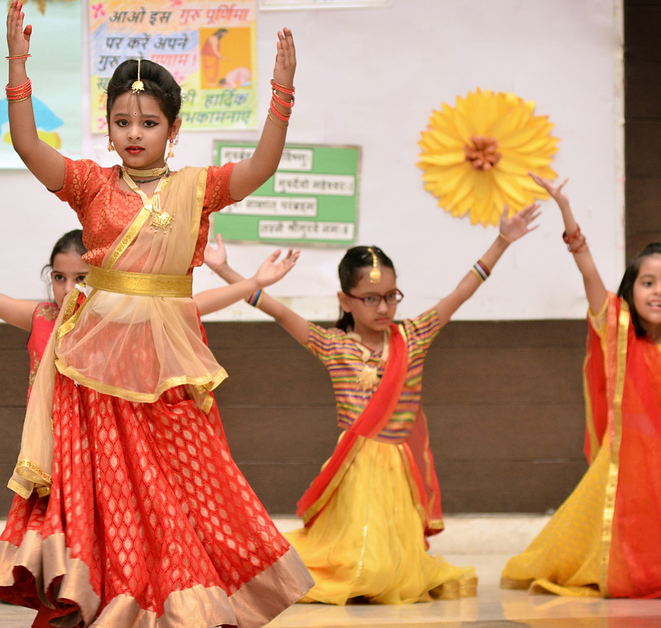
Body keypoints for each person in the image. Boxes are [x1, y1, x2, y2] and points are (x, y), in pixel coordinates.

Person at [0, 0, 312, 627]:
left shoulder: (197, 189)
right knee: (112, 494)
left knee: (188, 484)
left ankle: (188, 596)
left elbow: (262, 167)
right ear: (108, 128)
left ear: (172, 130)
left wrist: (281, 96)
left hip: (168, 369)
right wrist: (17, 70)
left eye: (149, 122)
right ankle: (111, 595)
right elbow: (25, 143)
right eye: (123, 121)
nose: (135, 132)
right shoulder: (91, 185)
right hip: (94, 370)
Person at [205, 203, 539, 605]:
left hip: (401, 474)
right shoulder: (333, 346)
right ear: (345, 301)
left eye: (391, 297)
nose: (383, 308)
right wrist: (224, 270)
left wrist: (502, 240)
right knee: (361, 568)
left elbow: (462, 292)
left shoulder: (413, 337)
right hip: (354, 470)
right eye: (371, 299)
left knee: (395, 571)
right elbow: (275, 309)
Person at [0, 229, 299, 399]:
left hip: (107, 445)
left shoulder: (125, 317)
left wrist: (252, 281)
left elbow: (195, 305)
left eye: (81, 277)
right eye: (59, 277)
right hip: (49, 443)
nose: (67, 289)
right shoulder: (42, 316)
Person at [501, 175, 661, 598]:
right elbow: (586, 264)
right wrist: (566, 210)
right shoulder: (617, 326)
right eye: (649, 283)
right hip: (627, 464)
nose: (658, 292)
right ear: (632, 289)